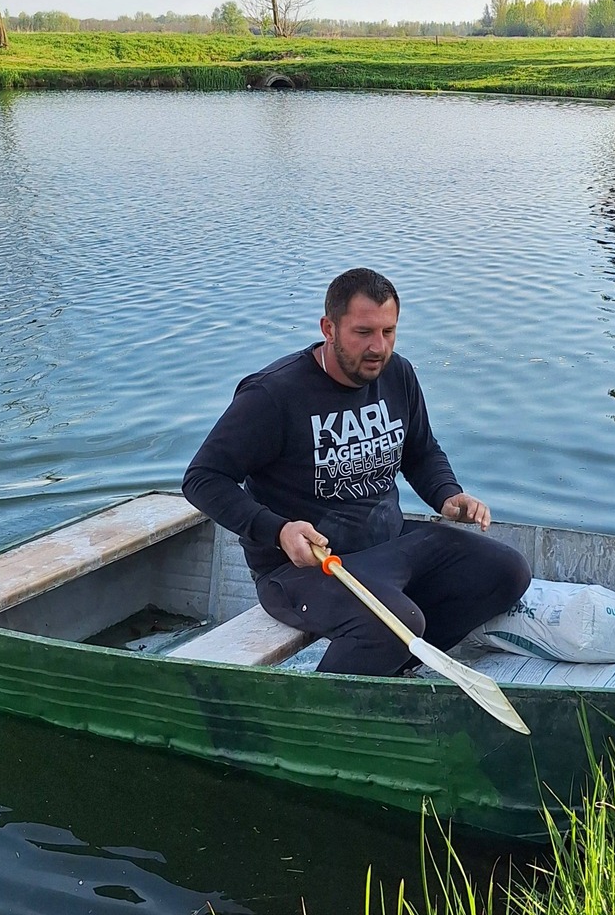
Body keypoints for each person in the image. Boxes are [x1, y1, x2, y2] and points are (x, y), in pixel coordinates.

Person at [183, 266, 531, 674]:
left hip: (387, 543)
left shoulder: (397, 374)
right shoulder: (274, 395)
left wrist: (447, 494)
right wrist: (278, 530)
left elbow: (420, 451)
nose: (378, 347)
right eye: (363, 332)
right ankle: (325, 699)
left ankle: (394, 669)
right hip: (304, 568)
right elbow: (202, 478)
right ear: (328, 328)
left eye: (388, 331)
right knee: (396, 621)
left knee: (507, 572)